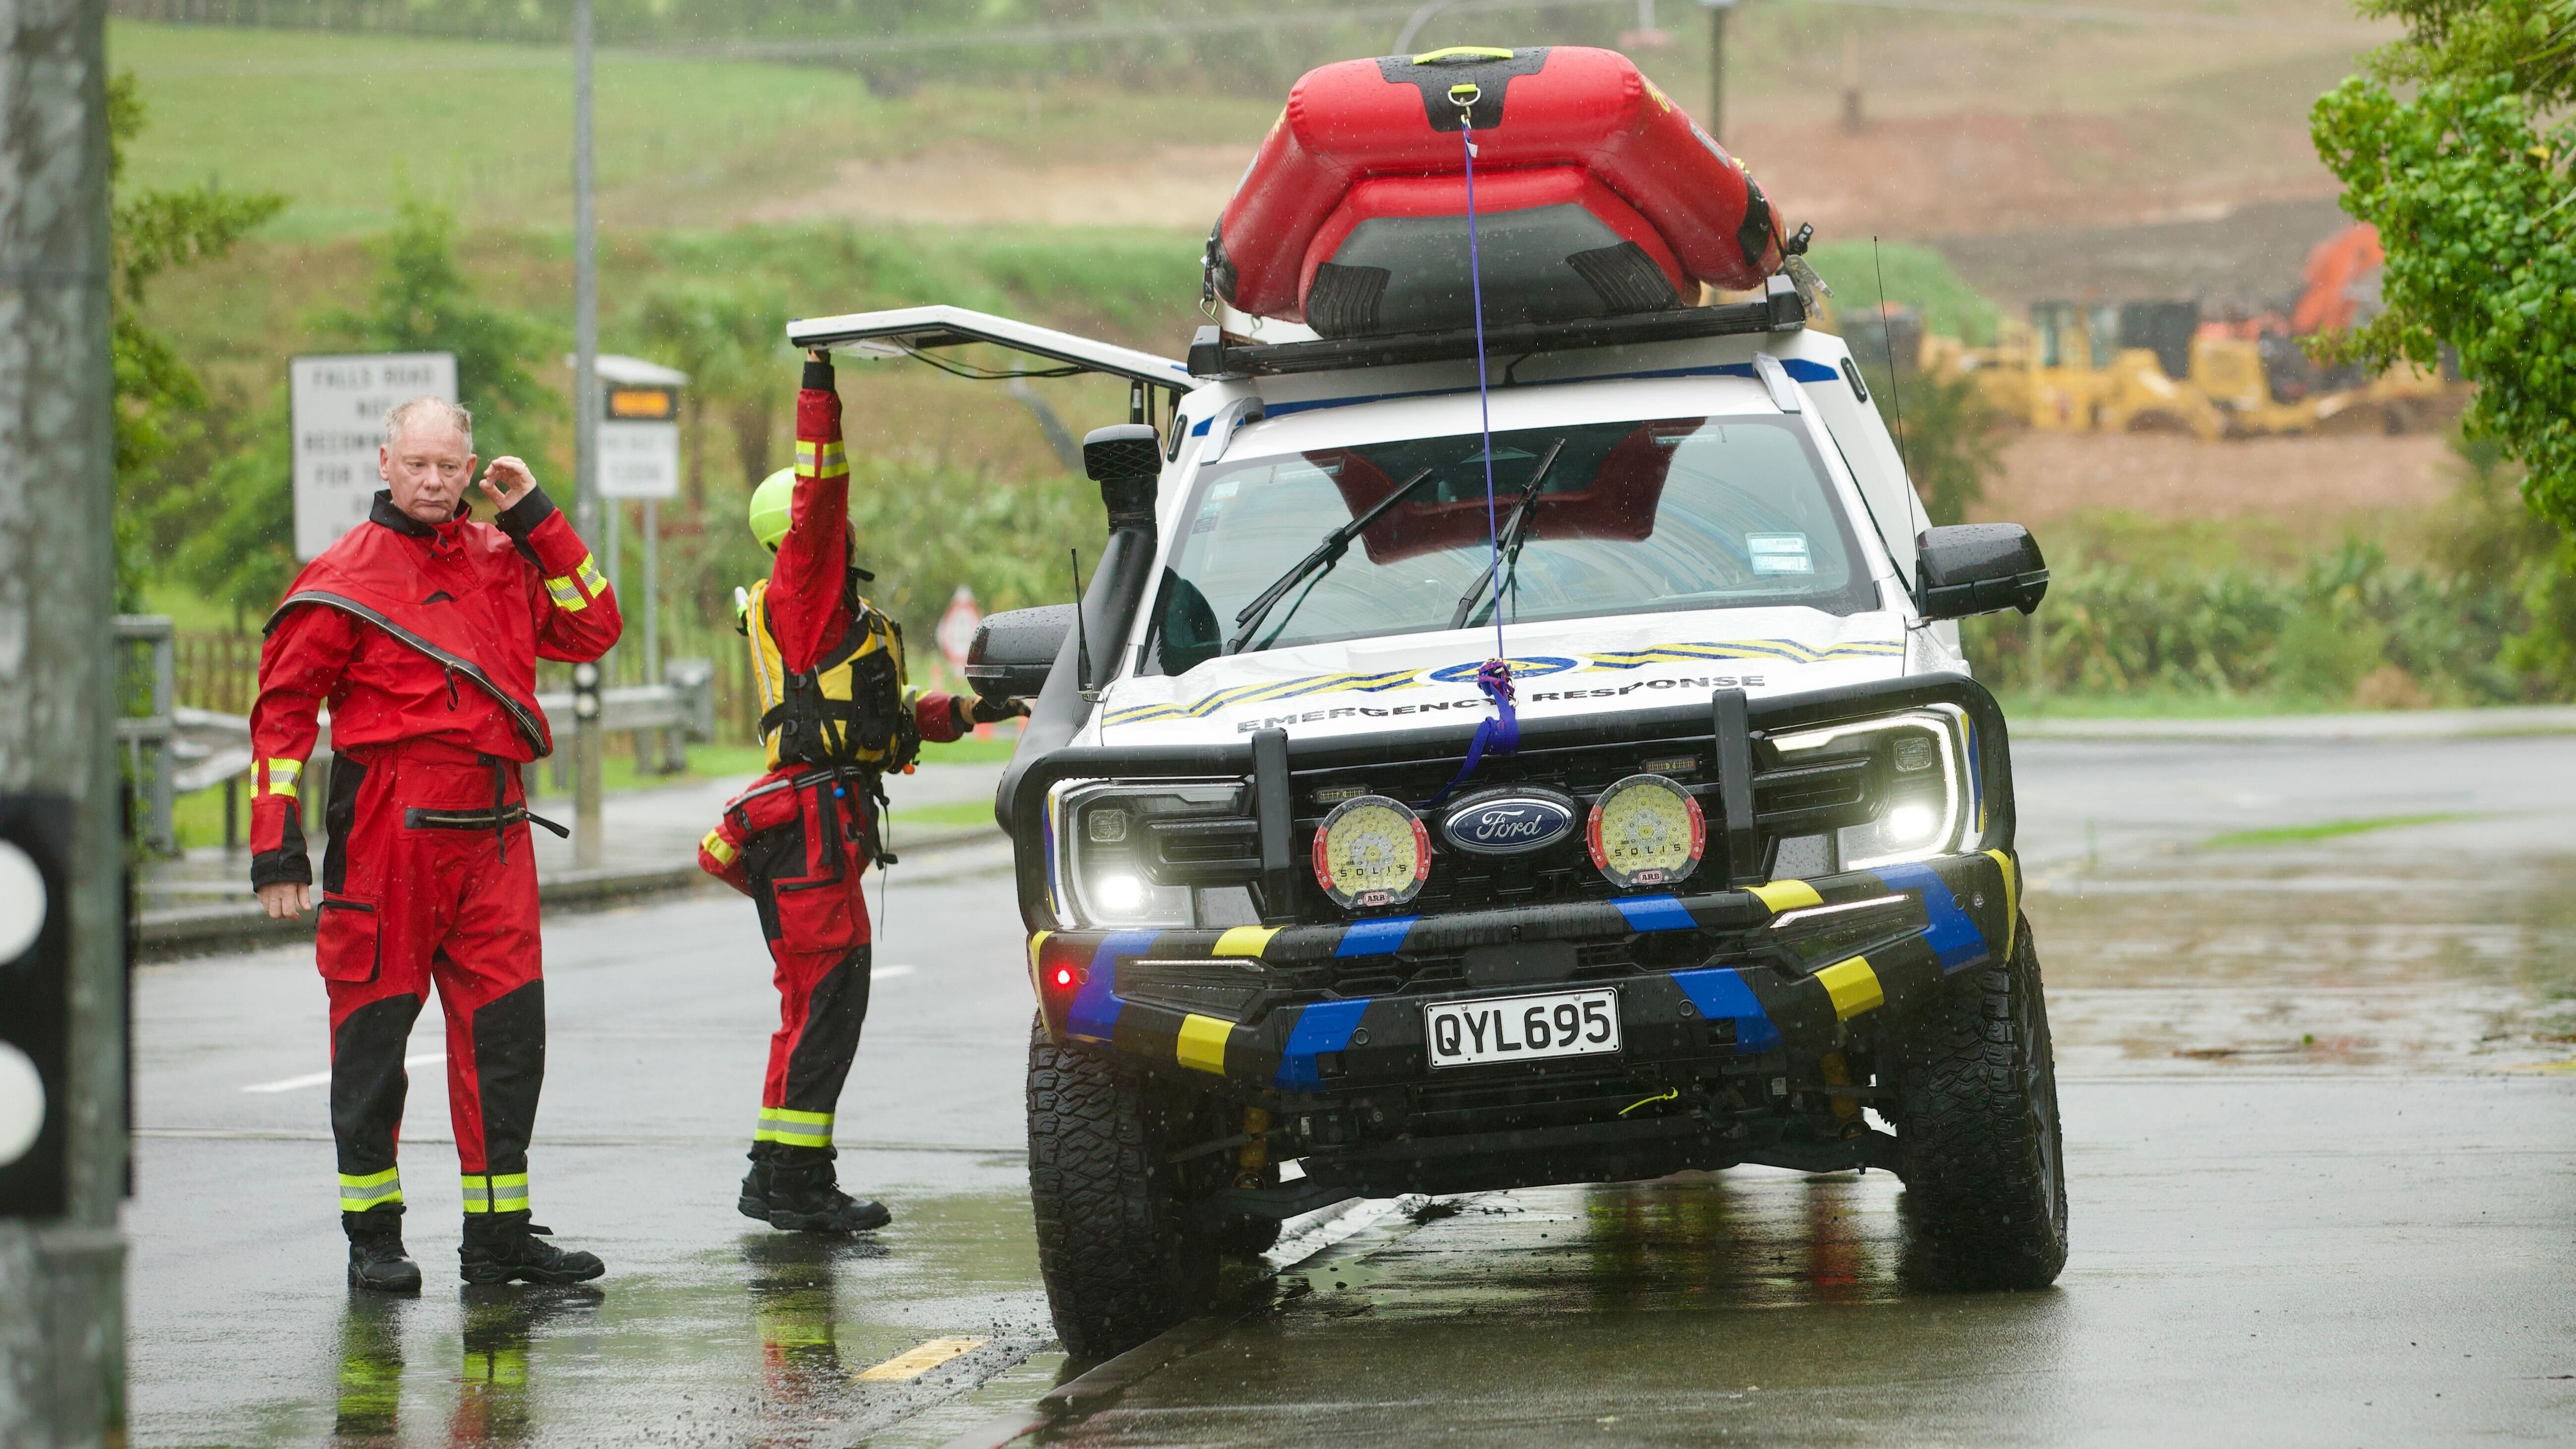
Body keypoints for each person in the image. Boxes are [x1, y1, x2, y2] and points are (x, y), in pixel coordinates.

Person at [251, 396, 619, 1292]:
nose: (432, 481)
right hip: (389, 827)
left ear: (470, 469)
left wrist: (536, 516)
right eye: (416, 464)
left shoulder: (504, 557)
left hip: (496, 829)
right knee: (373, 1039)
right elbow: (283, 716)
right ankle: (374, 1237)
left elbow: (594, 626)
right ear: (385, 463)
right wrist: (277, 852)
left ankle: (498, 1238)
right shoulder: (342, 577)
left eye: (449, 467)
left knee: (507, 1041)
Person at [696, 348, 1026, 1233]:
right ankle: (799, 1184)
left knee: (813, 1005)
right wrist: (820, 387)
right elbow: (822, 492)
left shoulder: (840, 619)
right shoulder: (802, 594)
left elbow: (888, 715)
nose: (846, 533)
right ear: (800, 537)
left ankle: (777, 1176)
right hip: (807, 828)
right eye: (828, 526)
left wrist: (973, 710)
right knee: (826, 1005)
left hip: (821, 824)